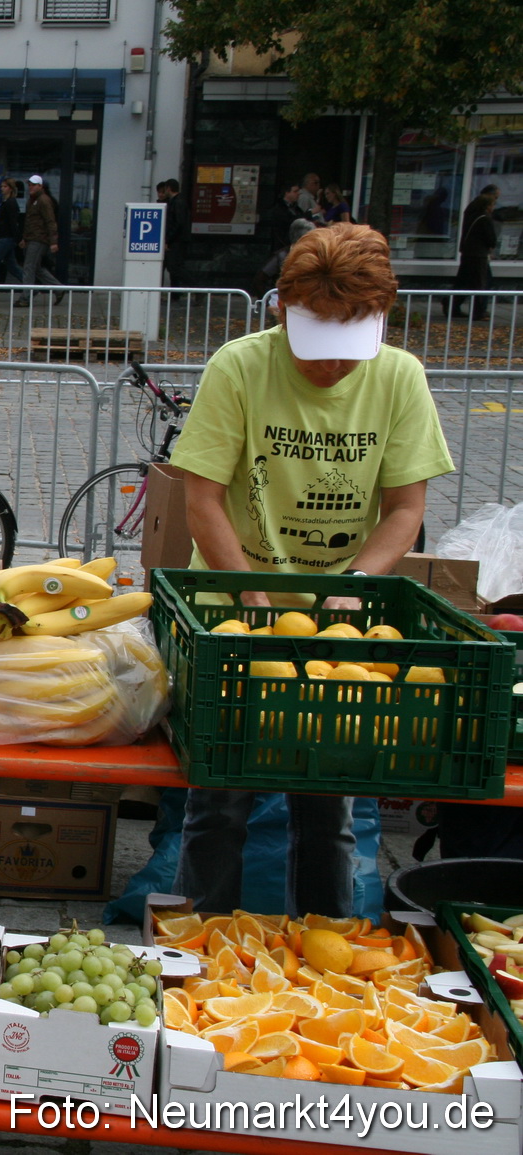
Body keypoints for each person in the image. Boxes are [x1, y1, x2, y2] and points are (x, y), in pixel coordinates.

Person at [168, 223, 455, 916]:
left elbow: (404, 508)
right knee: (220, 798)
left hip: (342, 627)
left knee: (329, 808)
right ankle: (198, 945)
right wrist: (250, 595)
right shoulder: (239, 367)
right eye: (316, 348)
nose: (331, 369)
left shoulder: (398, 377)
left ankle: (323, 952)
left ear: (381, 317)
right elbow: (202, 499)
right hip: (230, 608)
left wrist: (355, 585)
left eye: (347, 351)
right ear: (280, 310)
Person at [453, 185, 500, 320]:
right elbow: (491, 238)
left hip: (468, 252)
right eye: (494, 202)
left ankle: (453, 304)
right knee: (481, 283)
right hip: (479, 254)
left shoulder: (472, 212)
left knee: (465, 281)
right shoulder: (484, 218)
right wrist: (490, 246)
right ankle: (478, 311)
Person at [16, 175, 64, 304]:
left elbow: (50, 221)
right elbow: (30, 222)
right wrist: (25, 238)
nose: (30, 187)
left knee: (29, 267)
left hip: (39, 239)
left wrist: (53, 241)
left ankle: (26, 297)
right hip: (33, 238)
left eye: (33, 184)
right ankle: (58, 288)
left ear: (40, 186)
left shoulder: (43, 200)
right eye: (29, 184)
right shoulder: (33, 200)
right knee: (36, 268)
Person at [159, 178, 189, 288]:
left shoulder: (177, 202)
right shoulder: (177, 201)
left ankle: (197, 287)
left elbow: (177, 223)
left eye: (165, 189)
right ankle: (176, 293)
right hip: (177, 240)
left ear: (169, 188)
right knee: (174, 267)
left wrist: (168, 239)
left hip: (177, 240)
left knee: (175, 267)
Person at [267, 184, 309, 250]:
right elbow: (290, 221)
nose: (298, 194)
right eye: (295, 191)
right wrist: (310, 214)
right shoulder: (279, 208)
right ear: (287, 193)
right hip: (283, 244)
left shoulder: (296, 208)